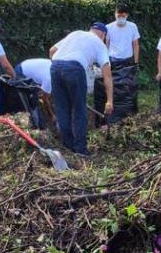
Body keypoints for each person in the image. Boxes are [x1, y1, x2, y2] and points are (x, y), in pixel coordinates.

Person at [49, 23, 114, 157]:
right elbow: (107, 75)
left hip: (55, 67)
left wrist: (61, 69)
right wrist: (110, 100)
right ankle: (80, 150)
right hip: (74, 68)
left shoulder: (76, 33)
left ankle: (67, 147)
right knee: (79, 110)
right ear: (103, 35)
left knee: (62, 109)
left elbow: (51, 51)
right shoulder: (100, 44)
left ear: (91, 30)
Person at [15, 58, 55, 122]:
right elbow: (44, 99)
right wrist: (51, 115)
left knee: (38, 94)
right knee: (30, 100)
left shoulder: (56, 66)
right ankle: (33, 122)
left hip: (28, 67)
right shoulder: (49, 79)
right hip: (22, 72)